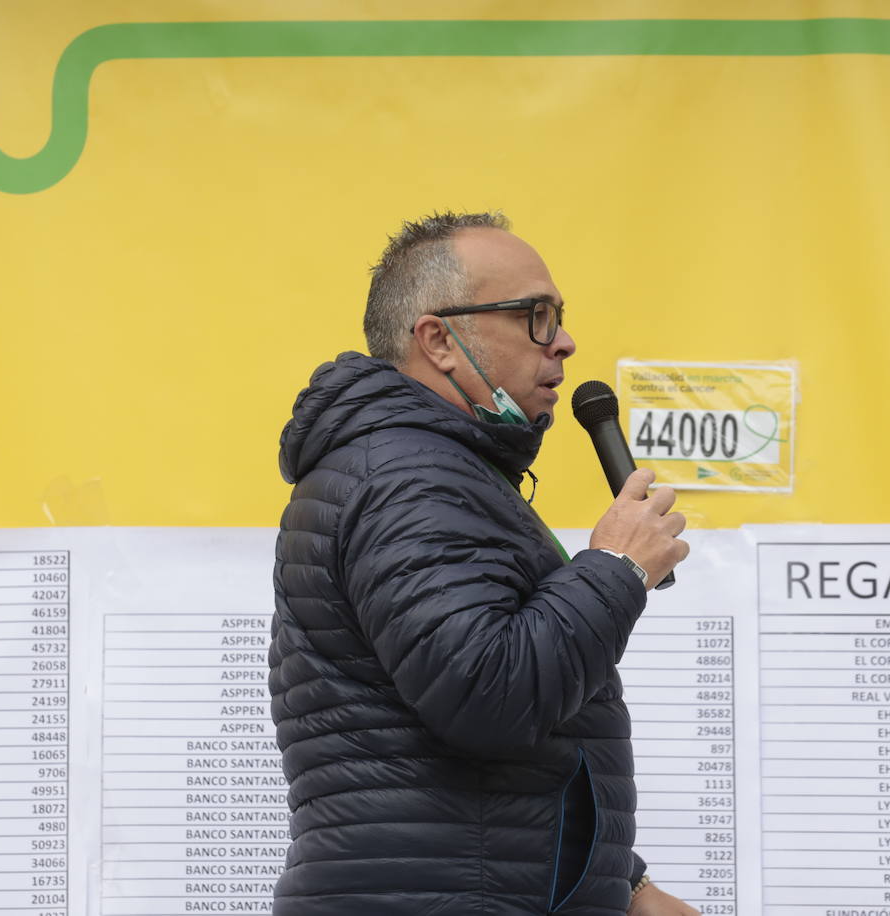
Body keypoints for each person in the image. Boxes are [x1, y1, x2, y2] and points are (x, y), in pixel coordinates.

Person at [271, 211, 696, 915]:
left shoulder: (428, 470)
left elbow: (500, 758)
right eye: (533, 315)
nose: (563, 342)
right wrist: (615, 569)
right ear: (439, 340)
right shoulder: (408, 477)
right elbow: (487, 692)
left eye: (558, 315)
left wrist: (625, 882)